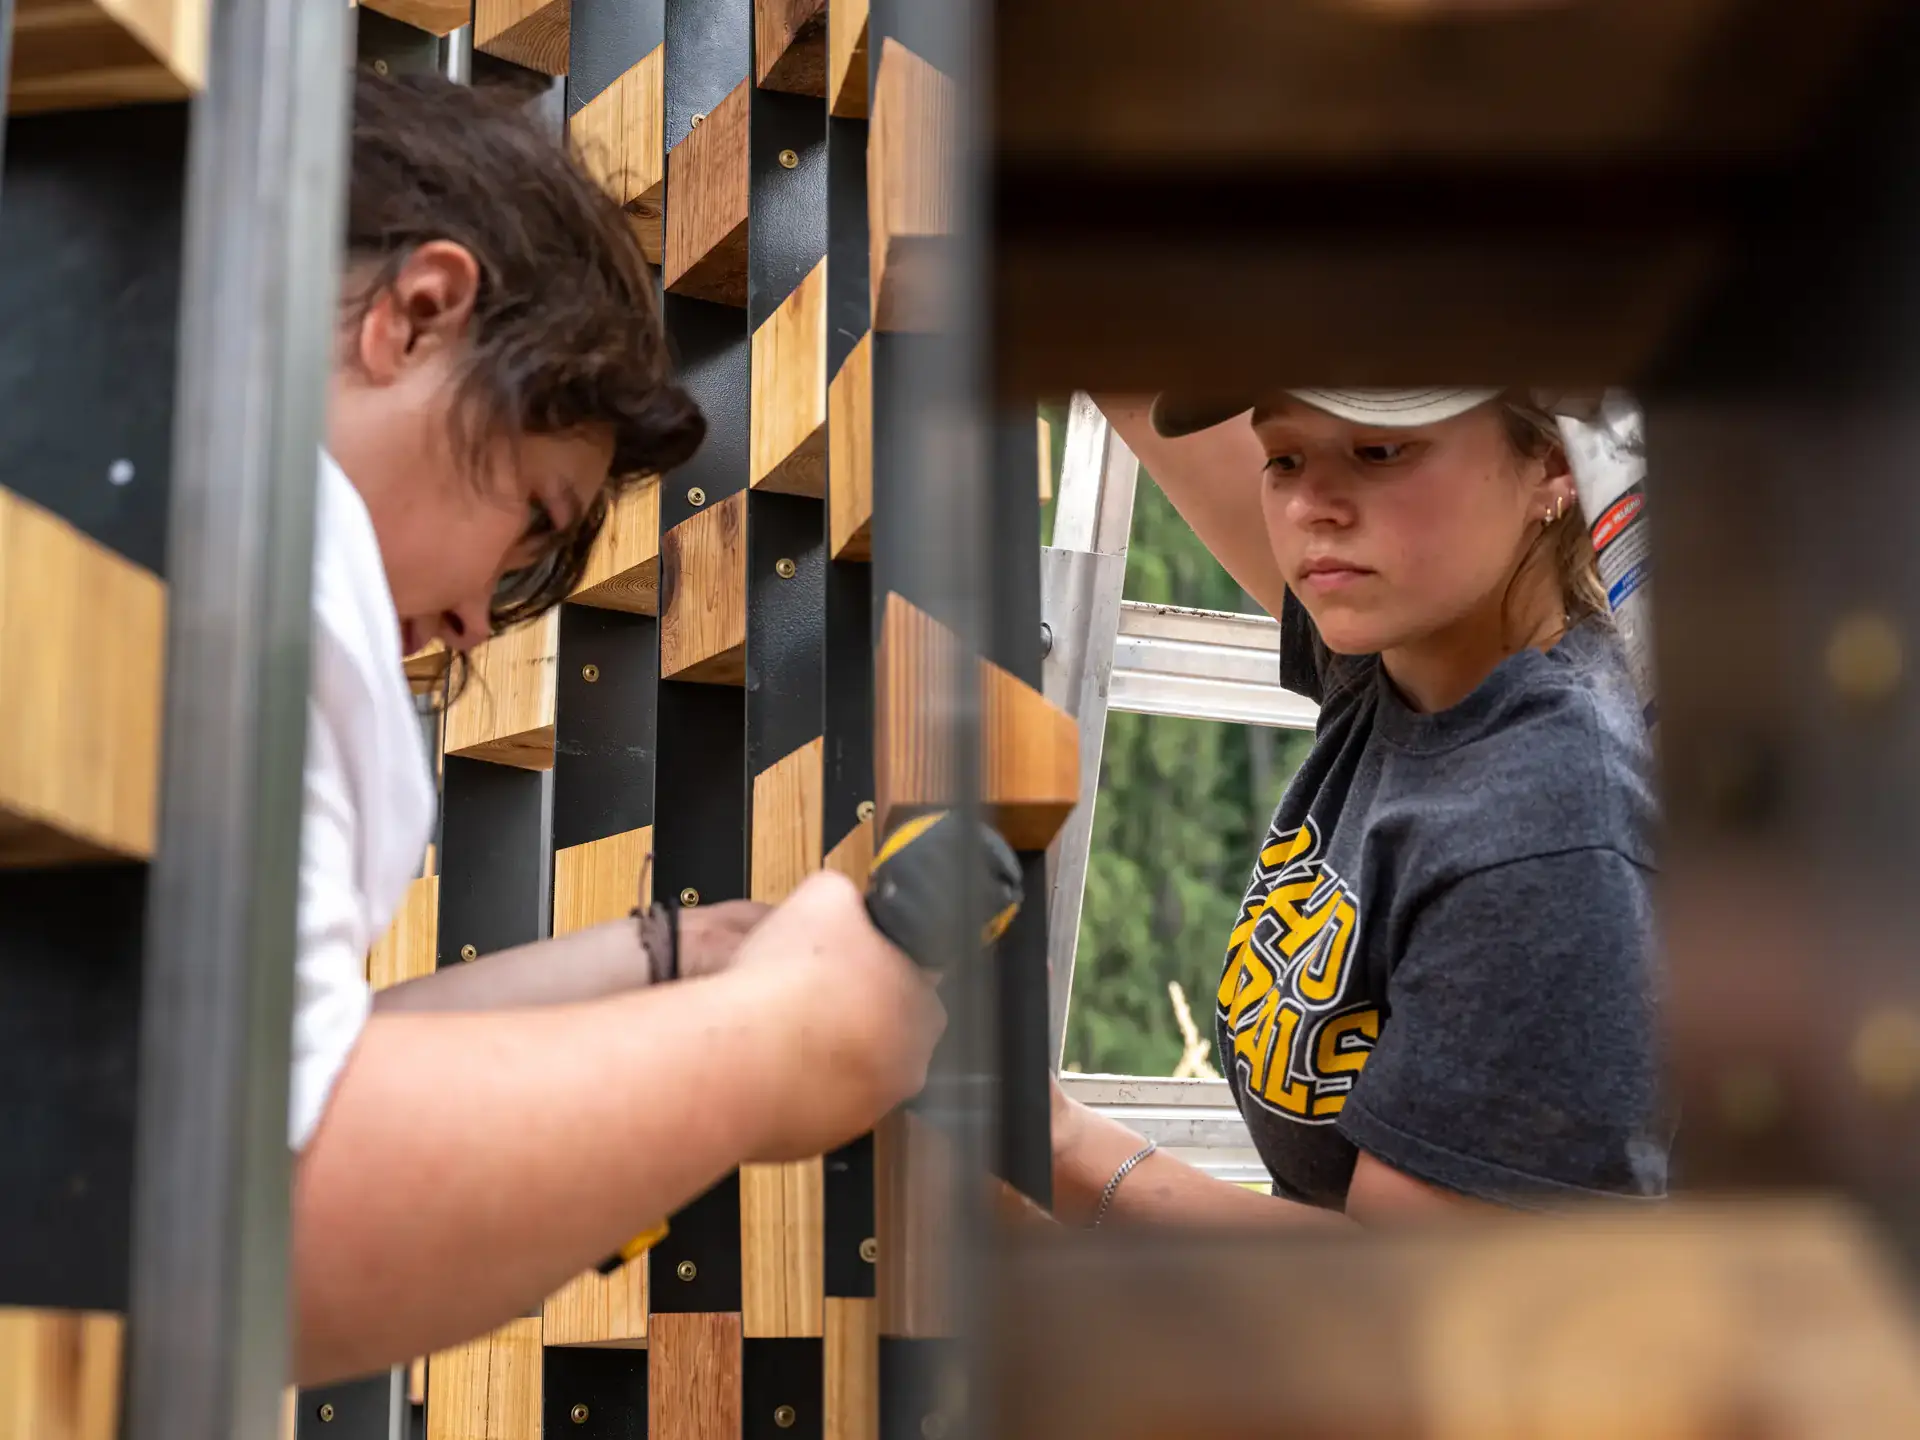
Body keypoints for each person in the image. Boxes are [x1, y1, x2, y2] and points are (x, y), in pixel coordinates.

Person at [291, 72, 943, 1384]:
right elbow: (265, 1214)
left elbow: (283, 1061)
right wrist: (785, 1043)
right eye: (534, 516)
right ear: (416, 314)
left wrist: (675, 956)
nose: (479, 620)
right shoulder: (269, 590)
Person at [1049, 388, 1665, 1226]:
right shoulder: (1403, 652)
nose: (1310, 506)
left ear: (1554, 461)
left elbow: (1407, 1301)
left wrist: (1057, 1150)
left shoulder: (1551, 822)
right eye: (1284, 458)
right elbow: (1131, 374)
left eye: (1380, 452)